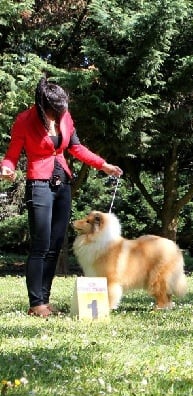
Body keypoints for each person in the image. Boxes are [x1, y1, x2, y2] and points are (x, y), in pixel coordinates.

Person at [0, 77, 124, 317]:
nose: (59, 116)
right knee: (41, 244)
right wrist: (7, 167)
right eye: (55, 111)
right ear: (42, 105)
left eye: (62, 111)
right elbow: (12, 153)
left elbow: (75, 147)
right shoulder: (25, 121)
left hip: (63, 183)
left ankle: (44, 301)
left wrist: (103, 165)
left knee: (56, 244)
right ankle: (35, 302)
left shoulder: (64, 116)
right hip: (38, 183)